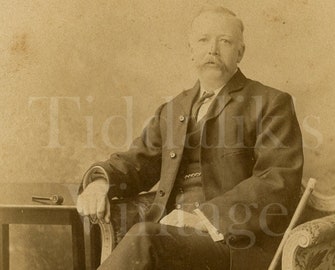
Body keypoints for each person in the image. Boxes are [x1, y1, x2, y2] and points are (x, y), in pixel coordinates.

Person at [77, 6, 303, 270]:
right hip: (171, 235)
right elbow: (138, 161)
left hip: (233, 243)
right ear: (191, 50)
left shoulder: (270, 103)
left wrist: (202, 217)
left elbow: (277, 181)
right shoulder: (173, 109)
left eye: (225, 41)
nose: (213, 50)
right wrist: (100, 182)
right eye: (203, 40)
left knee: (144, 236)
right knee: (142, 235)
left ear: (240, 52)